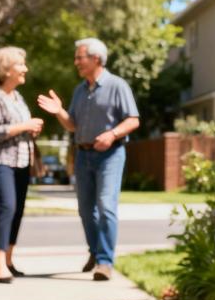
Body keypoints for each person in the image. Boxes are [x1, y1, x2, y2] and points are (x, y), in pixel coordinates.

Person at [36, 38, 140, 281]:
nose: (76, 62)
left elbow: (133, 119)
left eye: (79, 57)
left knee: (105, 205)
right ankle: (95, 252)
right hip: (83, 154)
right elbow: (73, 125)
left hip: (111, 154)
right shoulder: (80, 90)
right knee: (85, 210)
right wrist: (59, 111)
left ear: (96, 58)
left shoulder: (117, 85)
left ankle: (104, 262)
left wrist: (112, 134)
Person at [0, 46, 43, 284]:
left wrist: (32, 129)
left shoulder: (17, 97)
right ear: (6, 69)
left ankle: (8, 261)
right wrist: (25, 126)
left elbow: (19, 128)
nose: (25, 68)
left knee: (17, 210)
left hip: (21, 161)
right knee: (6, 207)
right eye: (20, 64)